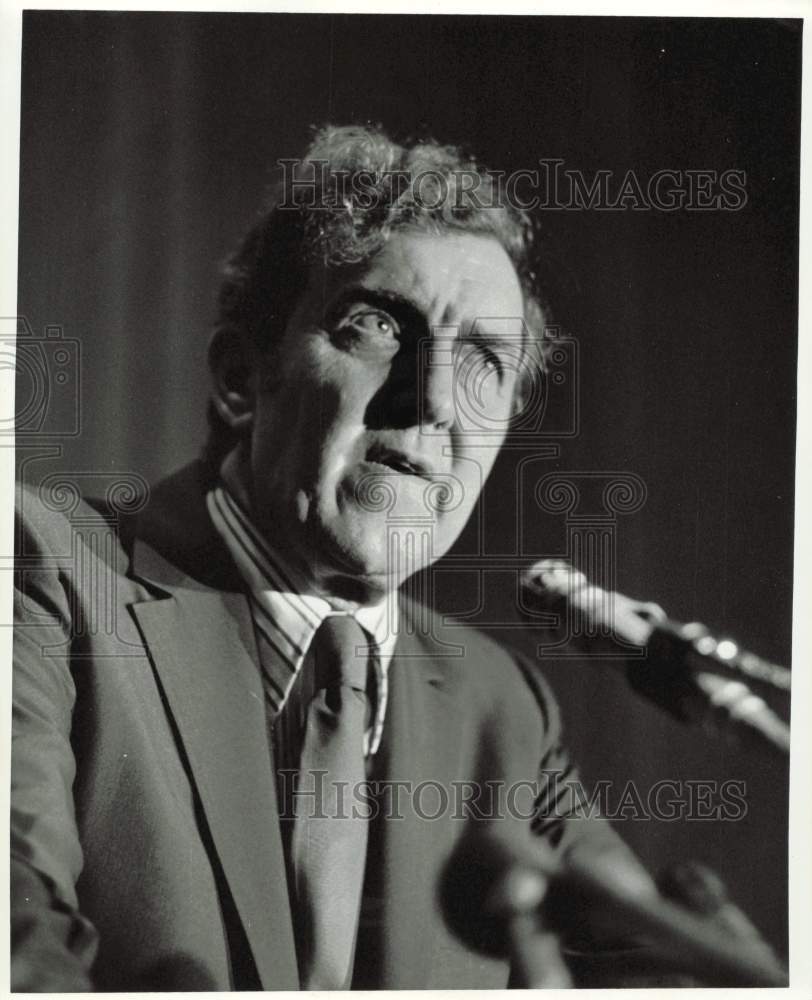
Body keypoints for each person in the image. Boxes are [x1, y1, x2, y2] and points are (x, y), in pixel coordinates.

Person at [9, 125, 751, 991]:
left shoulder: (500, 707)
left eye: (484, 363)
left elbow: (655, 971)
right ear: (242, 380)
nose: (433, 400)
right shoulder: (46, 573)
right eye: (375, 326)